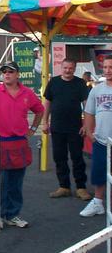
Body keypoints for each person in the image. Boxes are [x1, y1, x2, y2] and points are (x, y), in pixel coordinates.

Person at [0, 61, 44, 230]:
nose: (6, 74)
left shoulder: (27, 93)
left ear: (17, 74)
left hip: (20, 142)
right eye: (4, 71)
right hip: (0, 143)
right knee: (0, 182)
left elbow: (40, 110)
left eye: (10, 71)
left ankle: (12, 215)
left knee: (16, 183)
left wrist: (33, 129)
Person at [41, 58, 90, 201]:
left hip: (76, 128)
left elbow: (87, 105)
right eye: (65, 68)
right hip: (57, 127)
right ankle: (64, 187)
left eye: (70, 68)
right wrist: (45, 122)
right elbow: (47, 103)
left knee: (77, 158)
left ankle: (81, 187)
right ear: (61, 68)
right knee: (59, 157)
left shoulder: (80, 83)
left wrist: (86, 125)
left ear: (74, 69)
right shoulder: (53, 82)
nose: (68, 70)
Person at [80, 55, 112, 217]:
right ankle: (98, 203)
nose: (108, 70)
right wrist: (89, 131)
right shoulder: (97, 89)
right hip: (101, 140)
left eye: (111, 67)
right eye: (105, 67)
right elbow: (89, 112)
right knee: (99, 173)